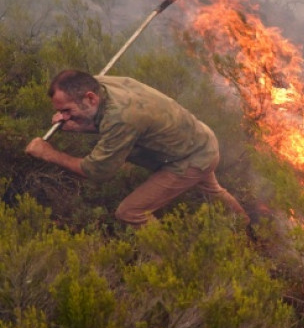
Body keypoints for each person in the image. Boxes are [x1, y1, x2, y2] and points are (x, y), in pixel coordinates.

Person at [25, 69, 249, 227]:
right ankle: (248, 228)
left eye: (66, 110)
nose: (62, 116)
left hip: (189, 159)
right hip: (200, 140)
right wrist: (78, 123)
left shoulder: (122, 117)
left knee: (130, 212)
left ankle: (170, 262)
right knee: (212, 189)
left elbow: (96, 170)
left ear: (90, 98)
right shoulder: (100, 85)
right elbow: (108, 120)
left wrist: (48, 153)